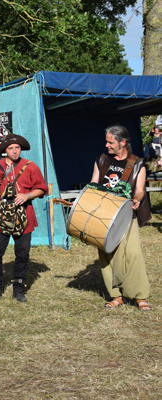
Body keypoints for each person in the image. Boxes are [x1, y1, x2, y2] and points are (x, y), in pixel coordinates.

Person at [0, 133, 48, 302]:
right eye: (11, 148)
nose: (15, 151)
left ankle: (18, 290)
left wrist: (27, 195)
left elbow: (42, 188)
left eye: (17, 148)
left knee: (22, 254)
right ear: (6, 150)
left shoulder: (30, 166)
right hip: (0, 216)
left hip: (24, 216)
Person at [91, 125, 152, 310]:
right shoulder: (102, 160)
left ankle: (140, 295)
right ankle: (117, 295)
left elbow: (140, 190)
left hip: (126, 214)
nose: (107, 145)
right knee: (107, 254)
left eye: (110, 142)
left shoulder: (138, 163)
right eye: (107, 141)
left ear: (123, 142)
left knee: (133, 253)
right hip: (103, 214)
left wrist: (136, 199)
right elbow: (93, 184)